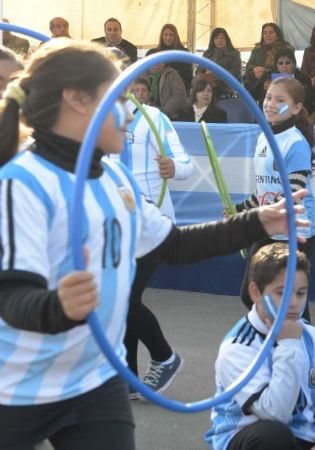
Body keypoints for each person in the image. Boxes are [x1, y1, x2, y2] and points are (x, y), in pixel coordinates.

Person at [0, 39, 309, 450]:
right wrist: (57, 307)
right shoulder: (22, 182)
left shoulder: (117, 181)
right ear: (75, 99)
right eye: (119, 97)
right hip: (16, 388)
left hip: (95, 379)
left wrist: (255, 221)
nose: (131, 111)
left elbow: (173, 245)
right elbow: (11, 294)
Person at [106, 77, 193, 396]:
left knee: (124, 297)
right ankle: (128, 375)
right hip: (117, 223)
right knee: (123, 297)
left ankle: (163, 356)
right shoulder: (98, 119)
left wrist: (173, 167)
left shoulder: (154, 118)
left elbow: (185, 164)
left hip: (150, 224)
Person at [205, 244, 315, 450]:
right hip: (252, 438)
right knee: (273, 435)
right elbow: (276, 413)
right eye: (282, 293)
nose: (293, 303)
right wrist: (289, 344)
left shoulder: (313, 338)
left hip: (305, 440)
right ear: (255, 292)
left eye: (301, 294)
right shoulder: (238, 347)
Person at [235, 78, 315, 321]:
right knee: (255, 294)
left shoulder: (296, 143)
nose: (270, 104)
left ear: (296, 108)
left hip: (294, 231)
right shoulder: (265, 136)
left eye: (280, 100)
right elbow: (264, 191)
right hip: (269, 225)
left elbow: (291, 195)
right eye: (269, 97)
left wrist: (251, 216)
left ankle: (300, 347)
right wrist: (240, 209)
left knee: (289, 300)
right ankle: (281, 341)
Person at [244, 23, 294, 95]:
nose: (267, 35)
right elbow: (249, 65)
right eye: (265, 33)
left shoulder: (286, 48)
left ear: (277, 35)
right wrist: (255, 69)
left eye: (271, 32)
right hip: (257, 82)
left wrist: (265, 72)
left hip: (279, 82)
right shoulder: (258, 49)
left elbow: (289, 67)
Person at [197, 27, 242, 99]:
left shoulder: (234, 53)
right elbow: (198, 70)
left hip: (226, 86)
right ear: (213, 40)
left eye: (222, 38)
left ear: (226, 39)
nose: (219, 40)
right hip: (207, 83)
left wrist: (217, 75)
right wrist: (206, 72)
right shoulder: (207, 53)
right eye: (216, 38)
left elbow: (236, 72)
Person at [145, 24, 192, 89]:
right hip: (156, 89)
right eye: (165, 34)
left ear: (176, 36)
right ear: (161, 36)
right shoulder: (152, 53)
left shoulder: (184, 53)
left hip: (178, 88)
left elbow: (188, 76)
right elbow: (146, 73)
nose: (168, 38)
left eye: (171, 35)